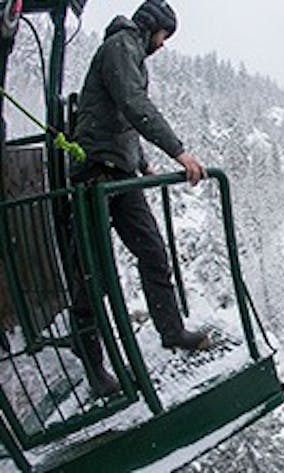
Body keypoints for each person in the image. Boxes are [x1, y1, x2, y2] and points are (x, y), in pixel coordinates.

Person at [69, 0, 209, 397]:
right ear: (151, 28)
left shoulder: (132, 51)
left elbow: (122, 117)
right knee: (90, 271)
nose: (163, 45)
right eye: (164, 35)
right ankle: (94, 364)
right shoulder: (121, 46)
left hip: (119, 171)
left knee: (151, 249)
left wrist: (143, 162)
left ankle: (171, 330)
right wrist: (178, 152)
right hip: (95, 174)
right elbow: (133, 104)